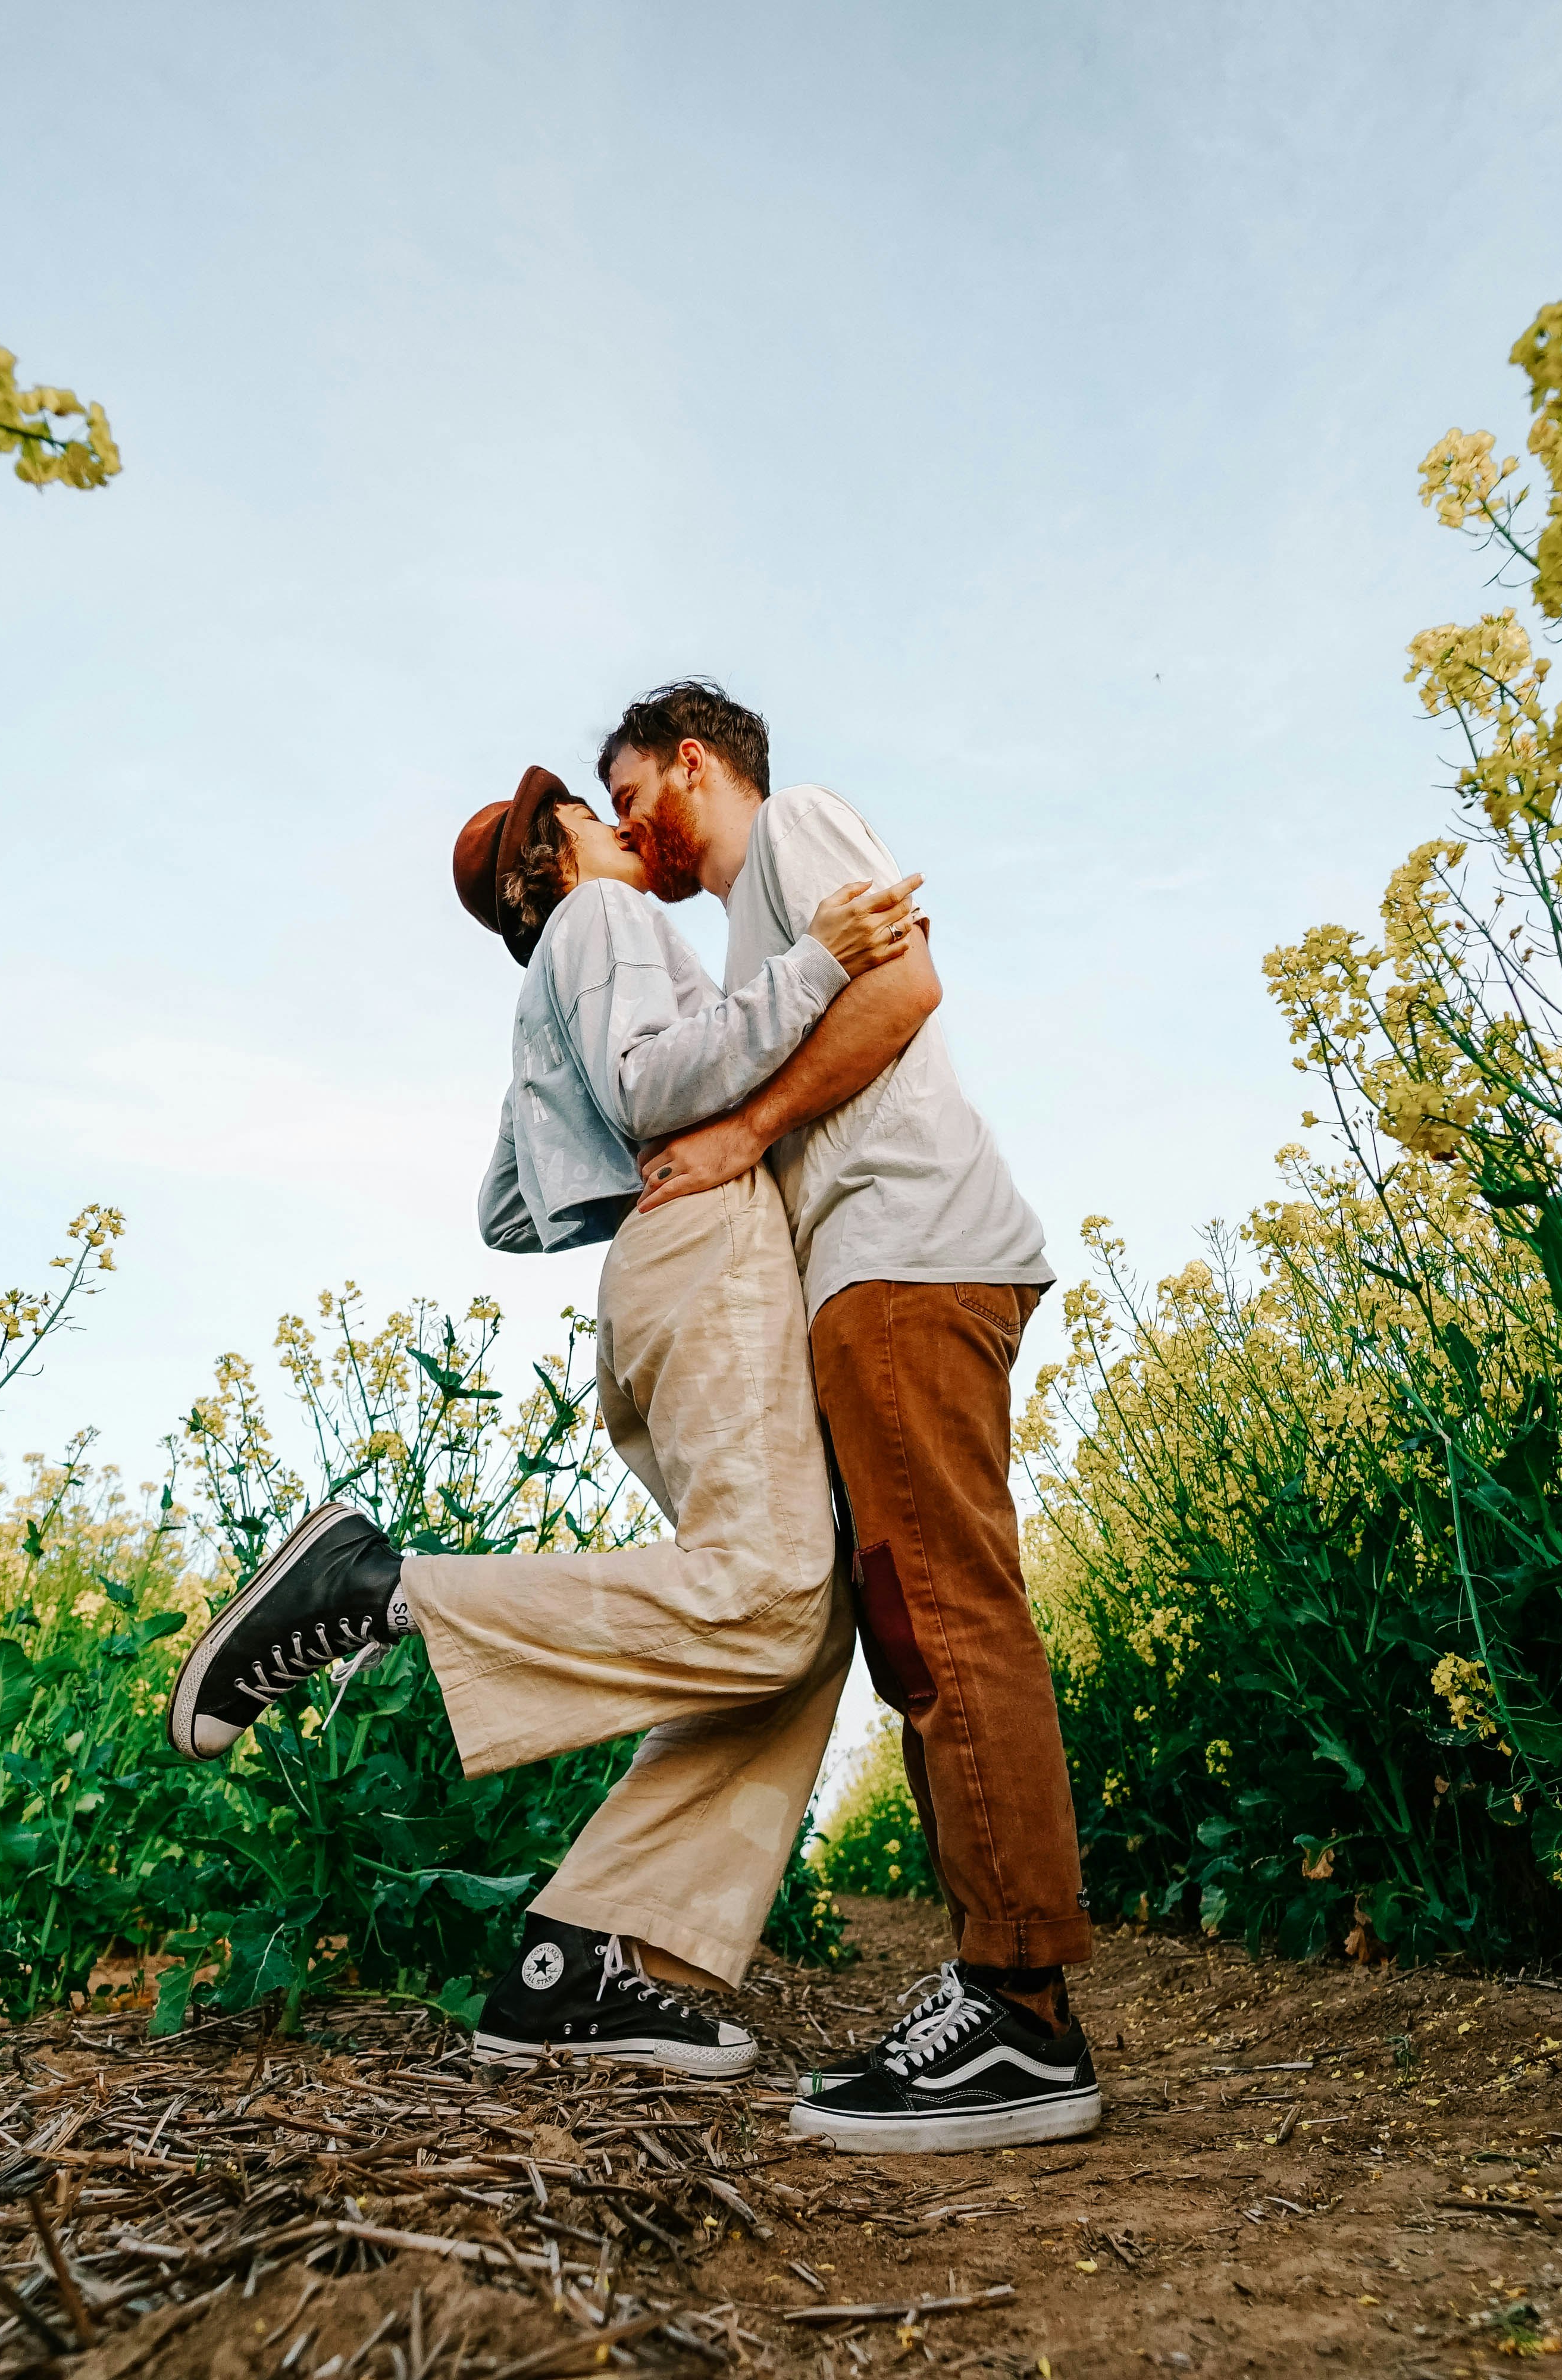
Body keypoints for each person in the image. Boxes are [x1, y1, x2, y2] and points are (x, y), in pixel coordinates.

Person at [166, 762, 921, 2078]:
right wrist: (811, 966)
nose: (619, 822)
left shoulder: (553, 976)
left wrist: (602, 1152)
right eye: (589, 812)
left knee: (790, 1636)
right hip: (709, 1249)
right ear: (551, 862)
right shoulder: (611, 923)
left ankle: (590, 1953)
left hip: (653, 1274)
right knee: (766, 1593)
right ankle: (372, 1590)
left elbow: (508, 1209)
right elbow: (651, 1086)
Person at [604, 679, 1103, 2154]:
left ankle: (1020, 2012)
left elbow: (907, 989)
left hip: (906, 1253)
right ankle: (1003, 1984)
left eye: (635, 799)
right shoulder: (758, 934)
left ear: (693, 763)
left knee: (944, 1613)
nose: (636, 837)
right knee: (911, 1620)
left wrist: (749, 1128)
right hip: (871, 1271)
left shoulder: (794, 834)